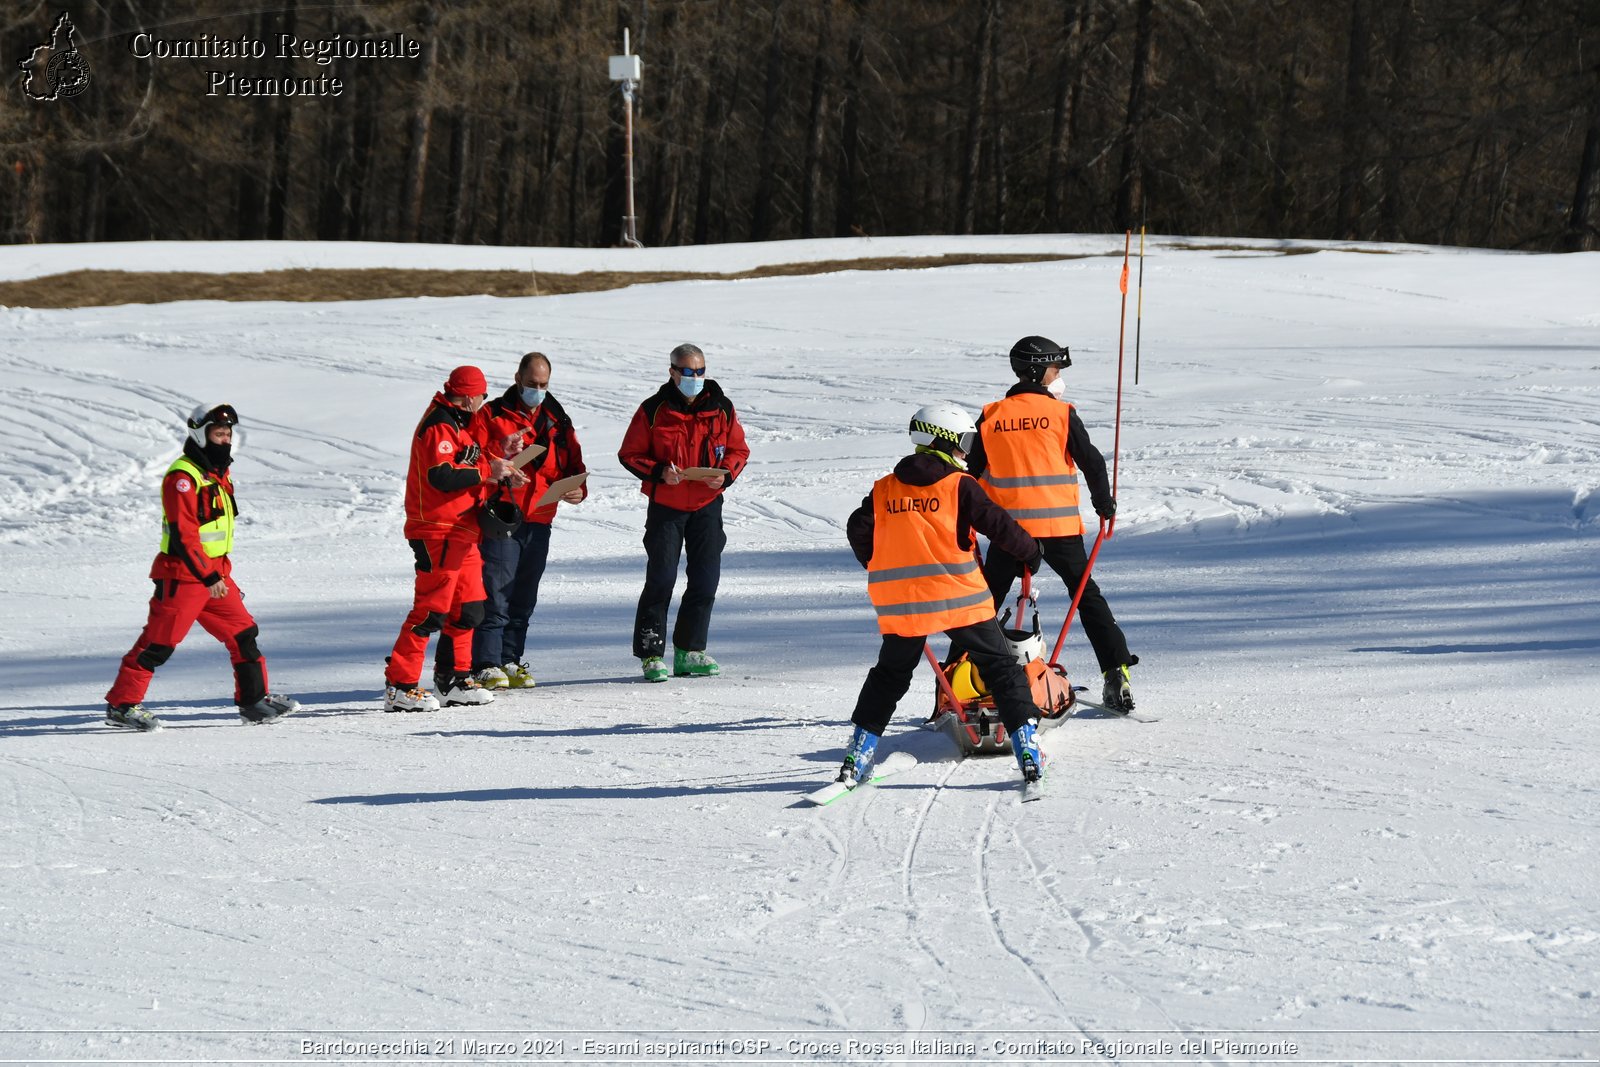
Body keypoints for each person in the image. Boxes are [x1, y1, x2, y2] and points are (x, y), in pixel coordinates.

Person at [838, 402, 1047, 788]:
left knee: (889, 677)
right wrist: (1031, 553)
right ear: (945, 440)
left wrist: (874, 561)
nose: (967, 452)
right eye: (965, 442)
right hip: (959, 600)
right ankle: (1028, 750)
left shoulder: (885, 488)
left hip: (902, 603)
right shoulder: (958, 485)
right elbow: (999, 525)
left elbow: (858, 528)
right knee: (1002, 670)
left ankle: (857, 755)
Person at [967, 335, 1140, 713]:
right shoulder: (1061, 414)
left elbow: (970, 474)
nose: (1058, 375)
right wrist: (1104, 504)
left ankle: (957, 680)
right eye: (1055, 368)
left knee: (979, 607)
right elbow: (1091, 463)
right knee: (1086, 597)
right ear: (1037, 370)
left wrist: (968, 516)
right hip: (1059, 530)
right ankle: (1116, 672)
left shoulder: (991, 415)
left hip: (1009, 533)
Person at [104, 403, 300, 731]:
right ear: (199, 433)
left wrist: (215, 574)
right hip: (184, 576)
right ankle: (122, 706)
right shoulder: (183, 476)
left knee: (243, 634)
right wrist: (207, 575)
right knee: (157, 644)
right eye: (217, 433)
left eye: (227, 434)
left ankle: (253, 701)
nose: (224, 440)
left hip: (216, 576)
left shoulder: (216, 473)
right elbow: (184, 533)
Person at [384, 366, 526, 712]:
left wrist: (501, 460)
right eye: (481, 395)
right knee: (430, 611)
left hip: (462, 531)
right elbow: (442, 475)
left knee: (470, 609)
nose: (482, 401)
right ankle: (400, 685)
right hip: (437, 530)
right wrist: (487, 471)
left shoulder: (458, 423)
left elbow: (469, 460)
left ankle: (454, 679)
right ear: (467, 396)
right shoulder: (439, 425)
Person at [617, 343, 750, 682]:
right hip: (667, 507)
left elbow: (738, 449)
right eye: (688, 372)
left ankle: (690, 650)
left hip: (707, 504)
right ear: (672, 371)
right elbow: (630, 454)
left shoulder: (721, 407)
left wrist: (725, 474)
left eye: (700, 372)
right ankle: (650, 653)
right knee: (661, 578)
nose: (695, 378)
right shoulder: (653, 410)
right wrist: (660, 471)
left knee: (706, 579)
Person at [469, 352, 588, 690]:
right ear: (517, 378)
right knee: (497, 591)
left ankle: (510, 659)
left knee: (524, 593)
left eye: (544, 384)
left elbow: (573, 463)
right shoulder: (491, 414)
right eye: (532, 384)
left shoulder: (557, 417)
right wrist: (502, 460)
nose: (538, 390)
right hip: (502, 514)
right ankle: (486, 663)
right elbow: (473, 456)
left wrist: (579, 489)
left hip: (541, 515)